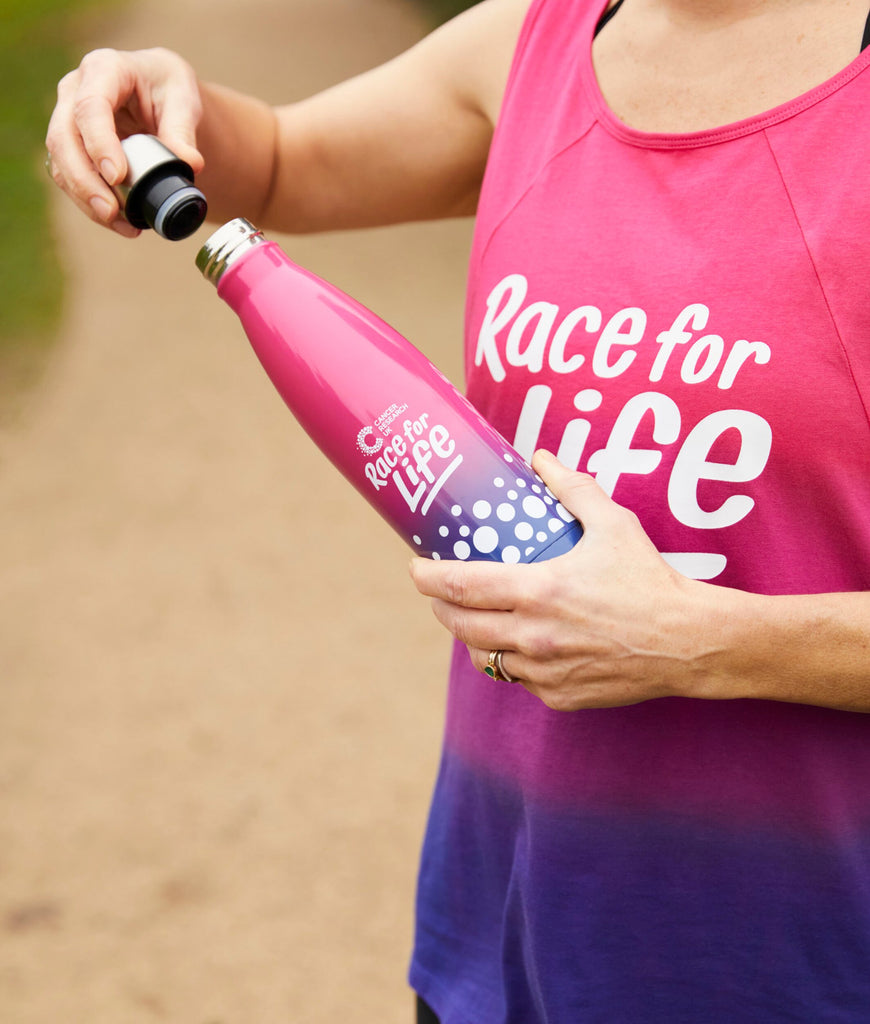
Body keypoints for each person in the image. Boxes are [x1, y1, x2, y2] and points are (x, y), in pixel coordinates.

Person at [46, 0, 870, 1020]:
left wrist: (700, 641)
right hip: (502, 944)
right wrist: (159, 106)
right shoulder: (540, 39)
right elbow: (279, 159)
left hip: (800, 969)